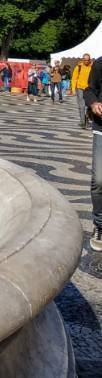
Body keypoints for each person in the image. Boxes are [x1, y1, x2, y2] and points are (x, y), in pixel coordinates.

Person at [85, 56, 102, 253]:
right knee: (99, 179)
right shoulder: (100, 64)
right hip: (101, 127)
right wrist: (94, 103)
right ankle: (100, 224)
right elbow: (89, 90)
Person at [71, 54, 93, 127]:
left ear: (90, 60)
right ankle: (83, 122)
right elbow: (74, 78)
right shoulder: (79, 67)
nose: (86, 61)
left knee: (90, 105)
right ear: (82, 59)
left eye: (88, 60)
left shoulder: (92, 67)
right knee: (82, 105)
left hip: (89, 89)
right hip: (80, 88)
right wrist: (73, 89)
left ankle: (87, 118)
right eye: (85, 60)